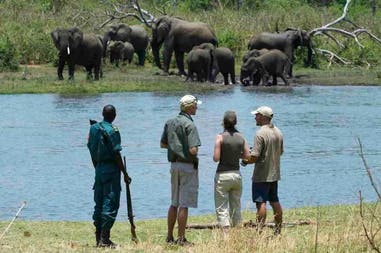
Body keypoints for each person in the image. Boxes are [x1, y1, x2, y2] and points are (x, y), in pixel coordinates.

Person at [160, 94, 202, 246]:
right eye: (195, 105)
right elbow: (193, 150)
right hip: (187, 167)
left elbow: (163, 144)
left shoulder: (170, 122)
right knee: (184, 204)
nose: (197, 107)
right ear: (190, 107)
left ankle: (169, 236)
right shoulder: (190, 125)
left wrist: (176, 147)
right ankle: (181, 238)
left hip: (174, 165)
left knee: (174, 203)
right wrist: (189, 149)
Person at [87, 104, 130, 248]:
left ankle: (98, 238)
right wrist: (125, 174)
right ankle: (104, 239)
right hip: (111, 169)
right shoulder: (112, 131)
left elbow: (91, 149)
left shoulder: (93, 129)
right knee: (110, 202)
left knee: (98, 202)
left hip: (98, 168)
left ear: (102, 114)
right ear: (114, 115)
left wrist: (97, 167)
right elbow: (117, 155)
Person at [242, 106, 284, 235]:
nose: (255, 117)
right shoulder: (278, 131)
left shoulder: (260, 133)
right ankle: (278, 230)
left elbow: (254, 157)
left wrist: (245, 161)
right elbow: (280, 152)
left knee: (261, 202)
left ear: (264, 117)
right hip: (274, 173)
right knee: (274, 201)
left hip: (262, 174)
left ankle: (259, 231)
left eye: (257, 115)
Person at [213, 111, 251, 229]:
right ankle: (237, 231)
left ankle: (226, 235)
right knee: (236, 206)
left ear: (223, 122)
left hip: (223, 175)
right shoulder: (241, 137)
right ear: (235, 122)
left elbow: (216, 158)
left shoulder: (220, 137)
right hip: (236, 175)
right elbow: (247, 156)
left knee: (222, 207)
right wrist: (236, 155)